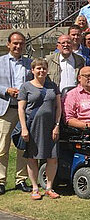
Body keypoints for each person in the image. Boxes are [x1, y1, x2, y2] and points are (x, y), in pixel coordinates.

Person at [17, 58, 61, 200]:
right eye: (38, 68)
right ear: (33, 70)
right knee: (32, 157)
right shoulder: (26, 87)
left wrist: (57, 125)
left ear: (47, 70)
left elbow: (58, 107)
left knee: (52, 158)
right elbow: (21, 108)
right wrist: (24, 128)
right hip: (33, 126)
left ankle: (49, 187)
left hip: (50, 127)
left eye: (43, 68)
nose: (41, 71)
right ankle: (35, 188)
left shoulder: (53, 86)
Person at [0, 32, 32, 194]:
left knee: (22, 146)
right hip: (6, 109)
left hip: (24, 112)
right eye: (15, 43)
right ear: (8, 44)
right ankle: (0, 180)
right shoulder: (0, 62)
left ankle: (21, 179)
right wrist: (6, 90)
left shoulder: (29, 63)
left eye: (21, 43)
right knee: (2, 148)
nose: (18, 46)